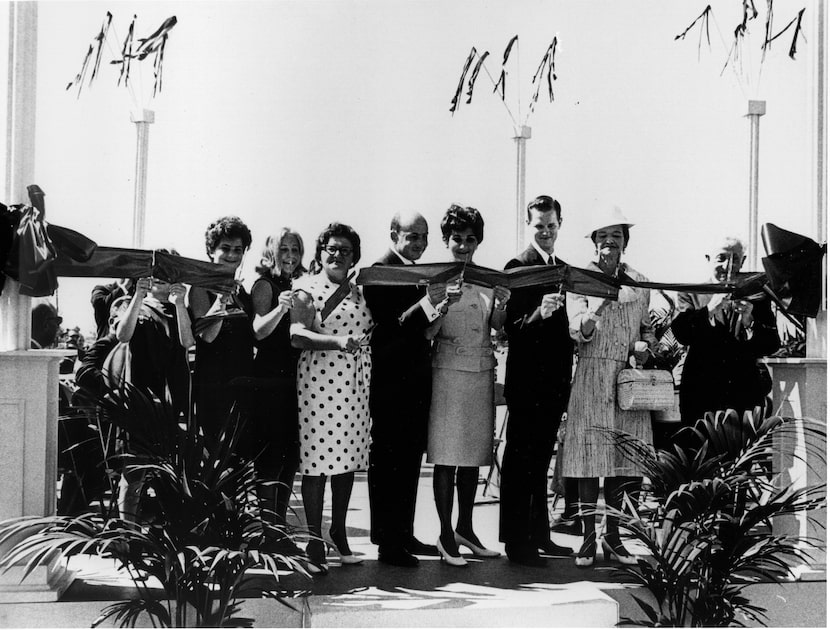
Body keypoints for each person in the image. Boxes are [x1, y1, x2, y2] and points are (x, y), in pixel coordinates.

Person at [560, 205, 657, 568]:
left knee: (621, 464)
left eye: (616, 236)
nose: (609, 243)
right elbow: (578, 330)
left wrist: (644, 347)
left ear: (625, 242)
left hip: (626, 382)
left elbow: (646, 328)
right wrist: (600, 301)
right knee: (589, 461)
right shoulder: (579, 277)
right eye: (602, 237)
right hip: (591, 375)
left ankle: (614, 539)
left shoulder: (639, 280)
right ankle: (587, 539)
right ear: (594, 242)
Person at [426, 205, 510, 567]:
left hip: (480, 373)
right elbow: (426, 332)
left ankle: (466, 528)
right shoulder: (434, 279)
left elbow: (498, 328)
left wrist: (503, 307)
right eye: (457, 239)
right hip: (446, 373)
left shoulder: (487, 280)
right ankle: (445, 534)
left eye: (470, 239)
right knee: (446, 458)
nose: (463, 246)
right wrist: (444, 303)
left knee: (473, 458)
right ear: (446, 241)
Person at [364, 210, 448, 567]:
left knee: (409, 459)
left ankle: (404, 532)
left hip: (414, 380)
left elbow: (423, 330)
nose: (419, 243)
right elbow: (395, 323)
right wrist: (430, 301)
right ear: (394, 233)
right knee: (389, 462)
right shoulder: (380, 270)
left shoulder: (416, 274)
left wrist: (439, 305)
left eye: (424, 237)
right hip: (390, 382)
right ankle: (388, 540)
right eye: (412, 236)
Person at [290, 223, 373, 573]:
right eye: (331, 248)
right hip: (320, 383)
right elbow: (297, 334)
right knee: (318, 461)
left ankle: (339, 532)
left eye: (345, 250)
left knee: (347, 459)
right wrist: (338, 342)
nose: (337, 255)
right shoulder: (305, 288)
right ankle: (313, 539)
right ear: (320, 251)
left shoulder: (357, 290)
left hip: (354, 385)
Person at [498, 195, 576, 567]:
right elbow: (509, 327)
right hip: (527, 383)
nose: (545, 232)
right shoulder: (517, 266)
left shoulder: (563, 268)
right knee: (520, 462)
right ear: (528, 226)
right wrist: (536, 316)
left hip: (554, 384)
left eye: (551, 225)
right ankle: (517, 541)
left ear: (560, 225)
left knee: (541, 461)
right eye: (538, 226)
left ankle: (540, 535)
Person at [671, 236, 780, 437]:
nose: (728, 266)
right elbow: (682, 334)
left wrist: (750, 321)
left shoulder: (757, 295)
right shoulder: (691, 293)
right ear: (708, 258)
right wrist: (709, 309)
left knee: (740, 462)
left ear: (743, 261)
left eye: (735, 259)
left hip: (743, 397)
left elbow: (772, 344)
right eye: (721, 258)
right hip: (701, 394)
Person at [115, 262, 195, 522]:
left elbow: (188, 342)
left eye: (166, 273)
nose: (159, 279)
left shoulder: (177, 310)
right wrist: (138, 295)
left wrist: (181, 304)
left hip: (169, 402)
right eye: (154, 273)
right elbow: (122, 335)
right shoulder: (134, 306)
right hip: (139, 398)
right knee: (133, 473)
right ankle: (127, 535)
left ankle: (162, 535)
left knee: (167, 472)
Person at [249, 229, 305, 548]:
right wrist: (281, 308)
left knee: (290, 458)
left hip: (296, 380)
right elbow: (257, 331)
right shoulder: (264, 285)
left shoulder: (298, 284)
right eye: (283, 248)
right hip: (269, 381)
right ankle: (267, 531)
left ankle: (279, 527)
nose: (290, 254)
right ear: (272, 251)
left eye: (295, 248)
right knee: (270, 459)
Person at [189, 216, 255, 450]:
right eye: (225, 248)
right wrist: (222, 298)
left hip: (243, 384)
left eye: (238, 250)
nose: (232, 255)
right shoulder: (200, 287)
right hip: (214, 388)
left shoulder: (242, 290)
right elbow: (207, 336)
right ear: (211, 251)